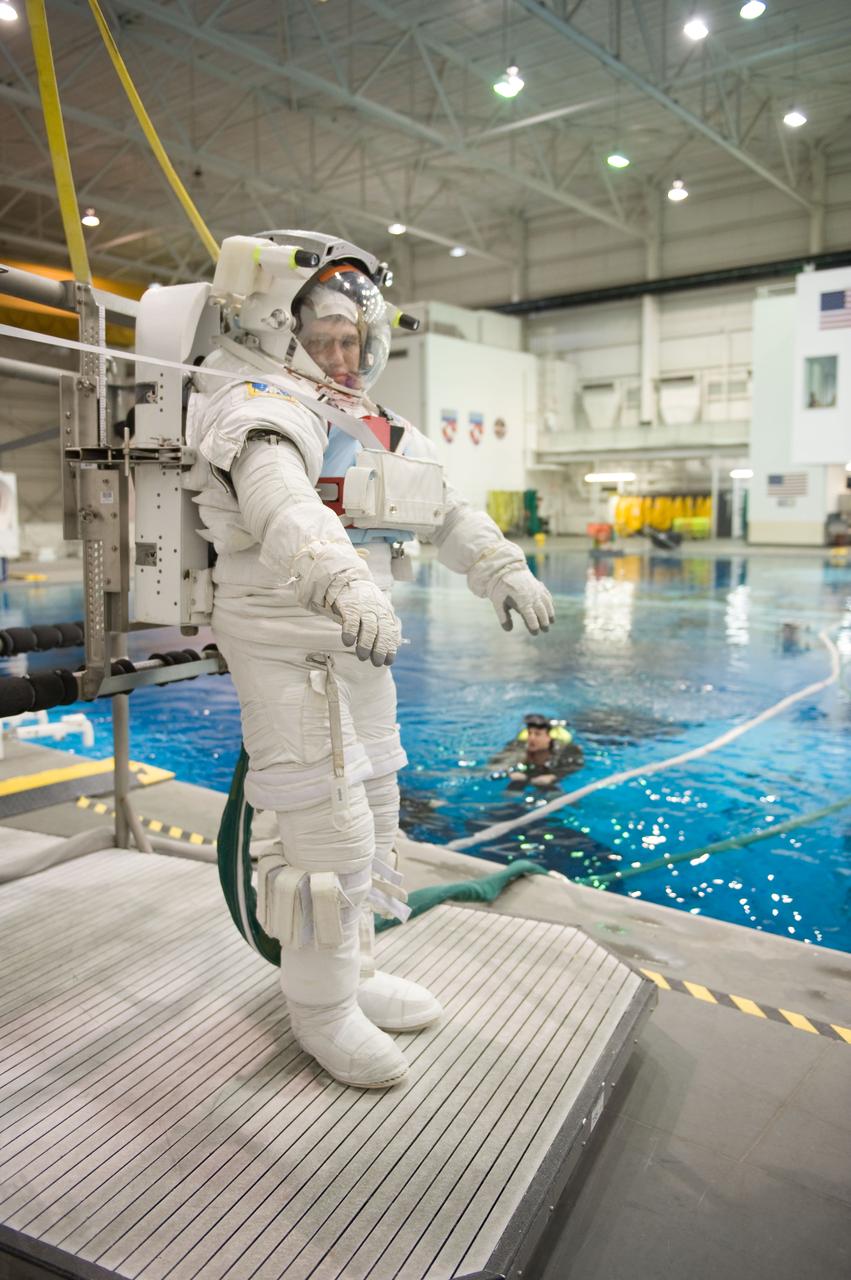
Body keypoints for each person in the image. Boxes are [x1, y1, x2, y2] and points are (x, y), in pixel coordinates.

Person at [186, 231, 554, 1089]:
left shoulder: (372, 420)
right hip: (287, 634)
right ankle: (319, 1012)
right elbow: (284, 510)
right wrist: (343, 584)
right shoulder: (253, 402)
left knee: (380, 807)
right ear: (279, 329)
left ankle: (354, 974)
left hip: (358, 634)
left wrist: (500, 567)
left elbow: (445, 507)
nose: (343, 357)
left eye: (354, 339)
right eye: (325, 339)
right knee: (327, 831)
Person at [500, 714, 584, 790]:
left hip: (549, 775)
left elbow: (576, 765)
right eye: (529, 733)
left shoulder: (565, 750)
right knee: (514, 786)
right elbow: (498, 763)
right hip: (527, 773)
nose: (531, 738)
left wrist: (555, 776)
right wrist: (510, 771)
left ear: (549, 737)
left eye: (537, 734)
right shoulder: (517, 747)